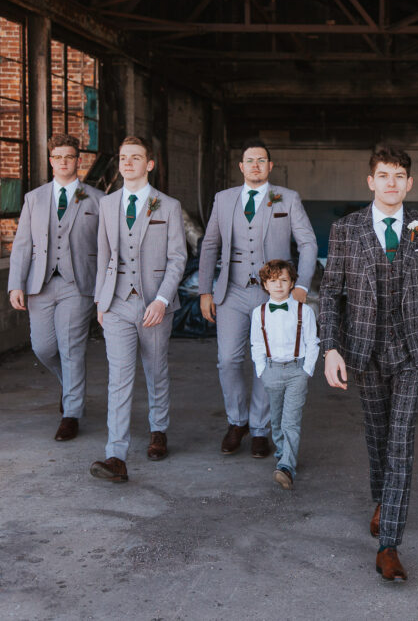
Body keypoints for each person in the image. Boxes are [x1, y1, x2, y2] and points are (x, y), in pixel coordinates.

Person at [319, 145, 418, 582]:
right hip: (364, 350)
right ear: (370, 181)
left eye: (399, 176)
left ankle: (389, 544)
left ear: (409, 183)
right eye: (383, 175)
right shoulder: (345, 230)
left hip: (413, 351)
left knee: (401, 443)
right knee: (377, 438)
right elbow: (331, 293)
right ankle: (383, 499)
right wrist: (330, 348)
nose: (391, 182)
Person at [198, 138, 317, 459]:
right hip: (231, 291)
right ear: (241, 166)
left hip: (273, 295)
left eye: (261, 160)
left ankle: (261, 428)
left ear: (270, 166)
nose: (255, 166)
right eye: (250, 161)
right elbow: (209, 245)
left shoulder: (287, 198)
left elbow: (307, 243)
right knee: (228, 360)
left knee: (268, 360)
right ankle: (237, 421)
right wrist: (205, 290)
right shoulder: (223, 200)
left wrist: (301, 285)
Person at [89, 136, 187, 483]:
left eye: (135, 157)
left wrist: (161, 300)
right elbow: (103, 254)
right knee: (119, 378)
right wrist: (101, 301)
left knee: (156, 370)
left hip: (154, 304)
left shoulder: (169, 206)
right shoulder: (107, 204)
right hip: (116, 303)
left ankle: (158, 430)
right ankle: (116, 454)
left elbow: (178, 258)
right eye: (123, 157)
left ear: (150, 164)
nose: (127, 162)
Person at [8, 133, 103, 441]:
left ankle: (71, 414)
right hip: (40, 284)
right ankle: (71, 387)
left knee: (72, 347)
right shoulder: (34, 198)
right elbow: (22, 246)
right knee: (44, 347)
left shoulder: (97, 199)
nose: (64, 162)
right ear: (51, 161)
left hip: (79, 284)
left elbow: (106, 247)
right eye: (58, 157)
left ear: (78, 160)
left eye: (69, 157)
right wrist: (15, 285)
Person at [249, 259, 320, 489]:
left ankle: (287, 466)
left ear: (292, 284)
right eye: (272, 281)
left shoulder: (304, 311)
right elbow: (257, 344)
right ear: (265, 285)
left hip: (296, 370)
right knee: (277, 419)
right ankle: (282, 453)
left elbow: (312, 342)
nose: (278, 285)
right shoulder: (258, 313)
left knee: (291, 420)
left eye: (283, 280)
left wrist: (306, 371)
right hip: (271, 370)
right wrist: (262, 371)